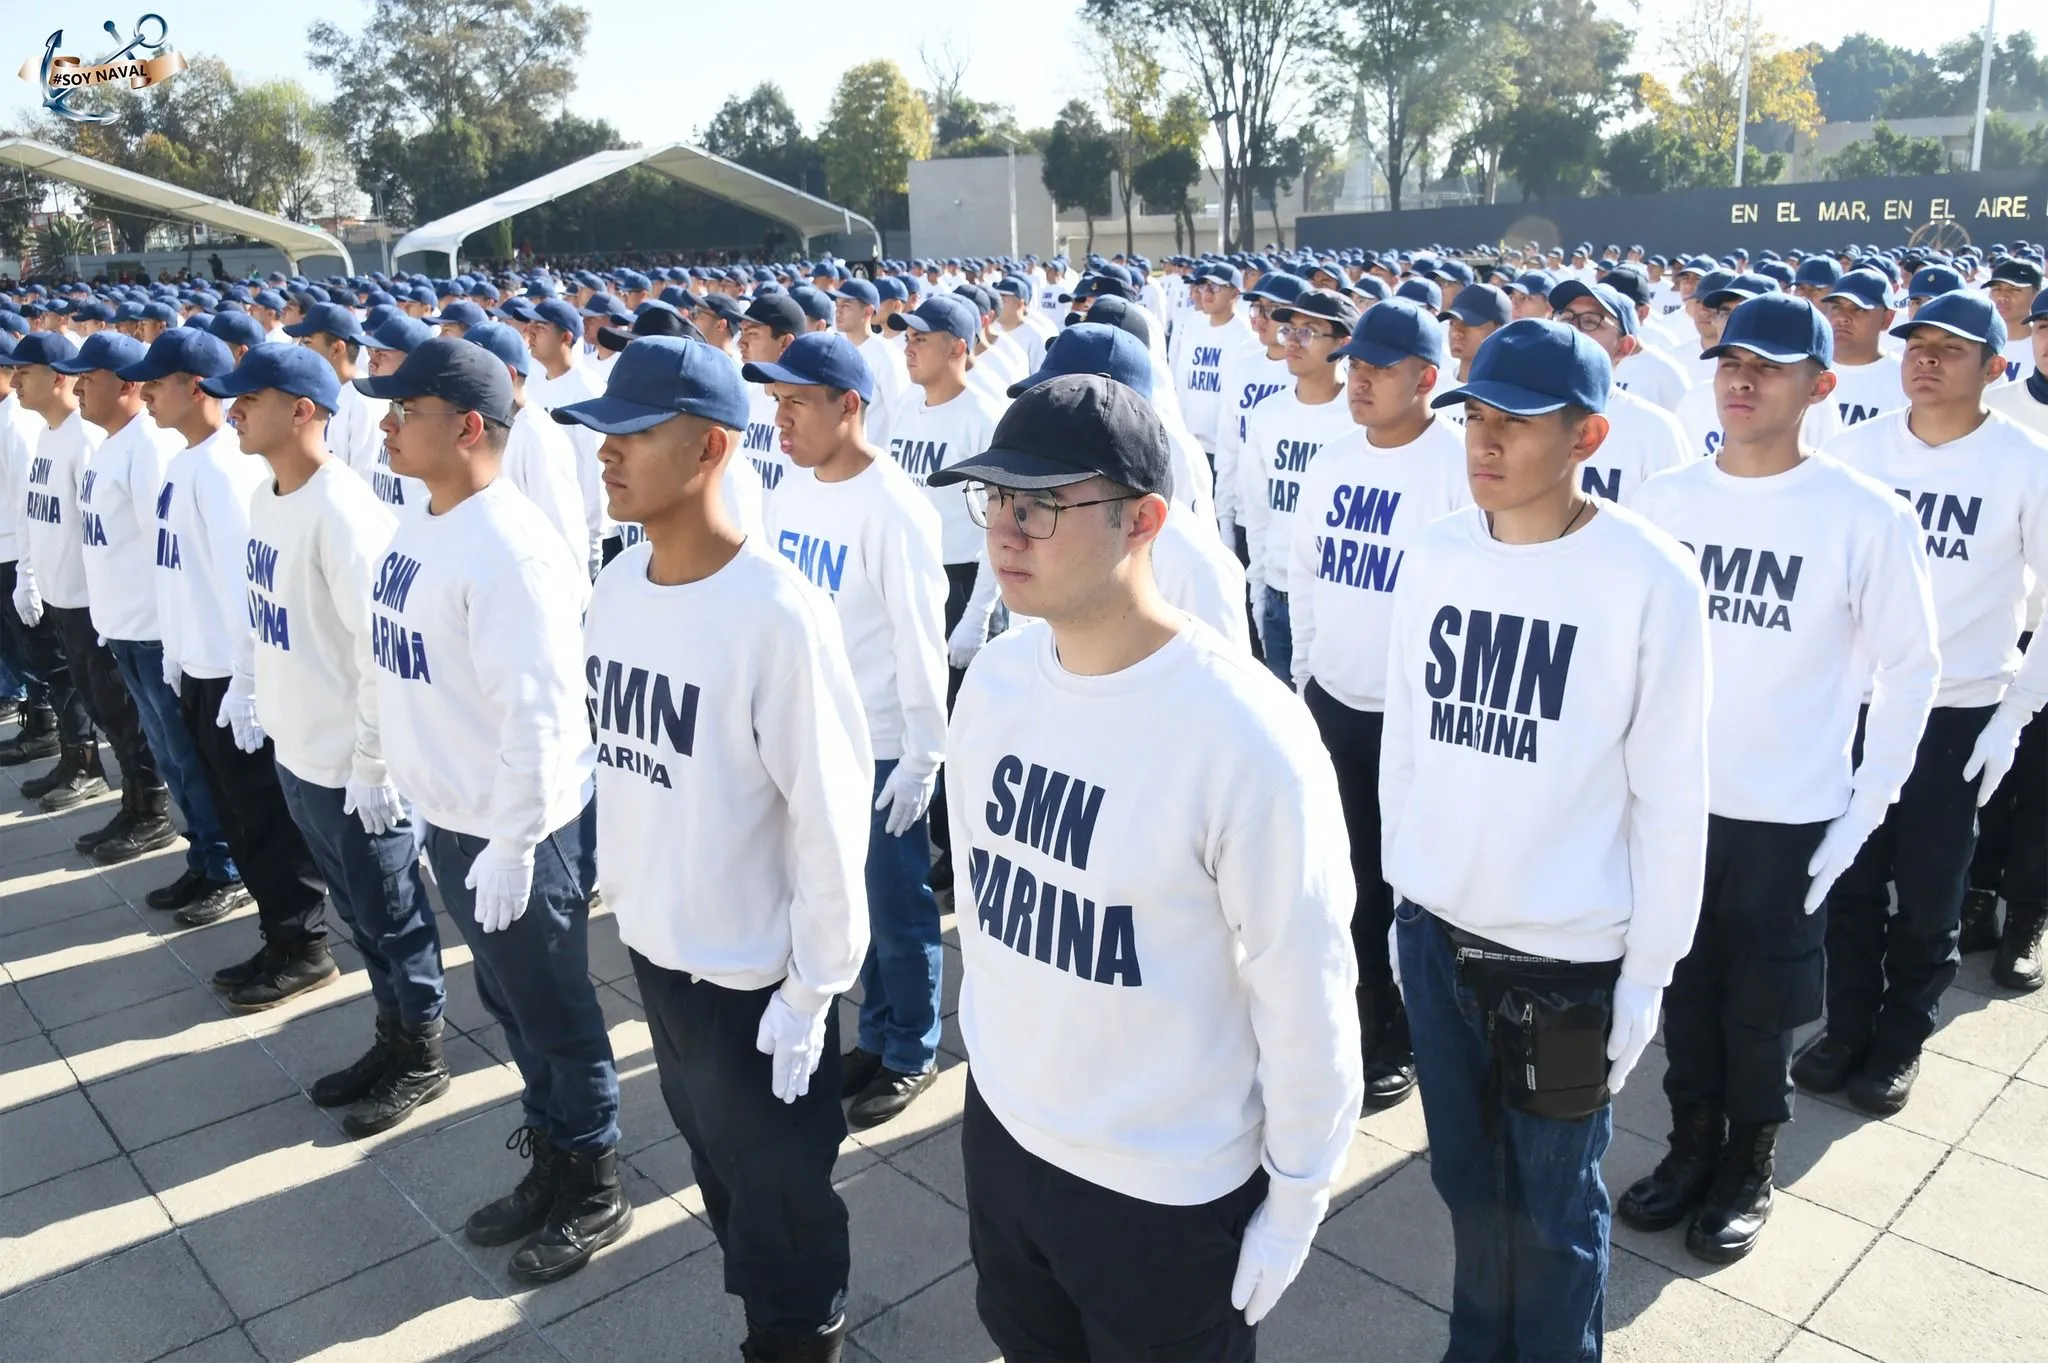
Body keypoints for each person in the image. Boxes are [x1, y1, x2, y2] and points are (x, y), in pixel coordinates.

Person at [931, 374, 1363, 1361]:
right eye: (994, 499)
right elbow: (990, 915)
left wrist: (1298, 1189)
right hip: (1006, 1135)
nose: (1005, 530)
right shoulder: (995, 683)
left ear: (1143, 520)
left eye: (1039, 505)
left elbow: (1303, 989)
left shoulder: (1240, 733)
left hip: (1161, 1191)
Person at [1381, 319, 1710, 1361]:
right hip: (1436, 937)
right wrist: (1405, 898)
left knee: (1556, 1211)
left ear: (1587, 436)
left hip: (1563, 960)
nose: (1482, 441)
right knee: (1466, 1191)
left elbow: (1669, 794)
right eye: (1473, 416)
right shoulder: (1431, 554)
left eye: (1513, 423)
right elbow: (1406, 741)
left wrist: (1646, 972)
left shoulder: (1647, 578)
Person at [564, 333, 872, 1363]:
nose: (605, 453)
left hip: (753, 974)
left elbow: (831, 816)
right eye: (601, 433)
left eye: (632, 434)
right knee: (716, 1163)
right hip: (660, 947)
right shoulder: (614, 589)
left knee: (781, 1196)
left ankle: (800, 1338)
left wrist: (813, 985)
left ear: (708, 449)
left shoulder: (776, 615)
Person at [1626, 294, 1938, 1262]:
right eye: (1728, 363)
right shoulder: (1666, 501)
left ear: (1820, 384)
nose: (1739, 381)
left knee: (1758, 1013)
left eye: (1766, 367)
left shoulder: (1860, 516)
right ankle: (1688, 1145)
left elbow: (1911, 668)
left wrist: (1861, 810)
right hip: (1677, 807)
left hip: (1787, 818)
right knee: (1681, 995)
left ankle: (1746, 1160)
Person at [356, 337, 627, 1283]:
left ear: (469, 426)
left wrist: (515, 841)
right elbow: (399, 659)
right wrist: (380, 759)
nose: (385, 425)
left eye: (405, 411)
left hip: (518, 827)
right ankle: (551, 1146)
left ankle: (591, 1176)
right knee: (508, 1003)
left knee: (554, 1008)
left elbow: (544, 714)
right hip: (457, 815)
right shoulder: (425, 518)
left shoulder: (508, 547)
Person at [1804, 293, 2048, 1109]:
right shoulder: (1858, 450)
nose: (1927, 359)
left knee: (1932, 889)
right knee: (1849, 880)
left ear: (1995, 367)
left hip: (1957, 712)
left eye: (1952, 348)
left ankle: (1901, 1036)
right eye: (1918, 344)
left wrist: (2015, 713)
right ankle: (1846, 1027)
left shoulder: (2025, 462)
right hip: (1860, 704)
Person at [219, 339, 452, 1137]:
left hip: (353, 766)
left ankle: (421, 1051)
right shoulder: (267, 496)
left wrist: (375, 761)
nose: (234, 410)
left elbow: (378, 649)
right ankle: (390, 1035)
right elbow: (261, 608)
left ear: (304, 410)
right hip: (301, 752)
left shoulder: (344, 510)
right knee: (359, 912)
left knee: (393, 912)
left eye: (251, 398)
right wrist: (249, 687)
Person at [748, 331, 951, 1130]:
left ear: (850, 405)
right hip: (815, 736)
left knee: (897, 910)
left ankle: (913, 1047)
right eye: (776, 403)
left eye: (797, 402)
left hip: (882, 744)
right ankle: (874, 1032)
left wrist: (924, 755)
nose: (782, 419)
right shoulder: (791, 489)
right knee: (839, 904)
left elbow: (917, 638)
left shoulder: (893, 506)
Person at [1288, 297, 1471, 1112]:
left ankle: (1438, 1030)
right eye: (1353, 363)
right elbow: (1305, 575)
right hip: (1338, 703)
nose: (1356, 378)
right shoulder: (1332, 462)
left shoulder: (1458, 467)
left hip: (1419, 722)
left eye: (1377, 367)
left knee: (1423, 887)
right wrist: (1308, 676)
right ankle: (1376, 1026)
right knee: (1351, 880)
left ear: (1426, 378)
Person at [116, 328, 248, 920]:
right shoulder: (184, 460)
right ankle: (205, 861)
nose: (143, 393)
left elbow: (237, 585)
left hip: (222, 665)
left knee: (227, 787)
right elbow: (172, 566)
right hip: (190, 655)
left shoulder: (222, 467)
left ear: (195, 387)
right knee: (187, 771)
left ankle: (229, 872)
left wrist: (244, 675)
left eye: (156, 382)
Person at [63, 330, 185, 860]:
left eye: (91, 378)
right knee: (145, 739)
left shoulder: (148, 447)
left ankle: (205, 852)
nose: (80, 387)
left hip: (150, 630)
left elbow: (163, 553)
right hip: (119, 625)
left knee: (177, 755)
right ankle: (141, 808)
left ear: (126, 384)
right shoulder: (111, 443)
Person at [1976, 284, 2048, 988]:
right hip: (2008, 626)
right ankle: (1975, 900)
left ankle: (2027, 915)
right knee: (1989, 780)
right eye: (2045, 325)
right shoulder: (2000, 411)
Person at [883, 294, 1006, 702]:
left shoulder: (983, 417)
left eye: (921, 339)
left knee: (961, 718)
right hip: (913, 576)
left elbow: (999, 523)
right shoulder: (905, 406)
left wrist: (977, 615)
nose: (908, 348)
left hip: (963, 582)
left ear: (957, 347)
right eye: (908, 339)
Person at [1240, 288, 1359, 682]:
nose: (1292, 341)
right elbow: (1258, 511)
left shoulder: (1359, 421)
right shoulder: (1268, 414)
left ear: (1343, 344)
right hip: (1278, 596)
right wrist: (1258, 589)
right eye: (1289, 329)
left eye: (1309, 332)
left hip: (1336, 603)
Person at [1545, 281, 1688, 504]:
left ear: (1624, 347)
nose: (1573, 329)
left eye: (1591, 322)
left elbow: (1674, 519)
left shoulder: (1655, 429)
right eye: (1566, 318)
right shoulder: (1517, 412)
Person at [461, 321, 590, 565]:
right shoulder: (480, 423)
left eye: (470, 367)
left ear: (507, 375)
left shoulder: (537, 435)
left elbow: (564, 534)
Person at [1820, 270, 1907, 429]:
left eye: (1858, 308)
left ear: (1887, 319)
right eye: (1836, 307)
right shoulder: (1804, 370)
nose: (1842, 318)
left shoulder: (1906, 379)